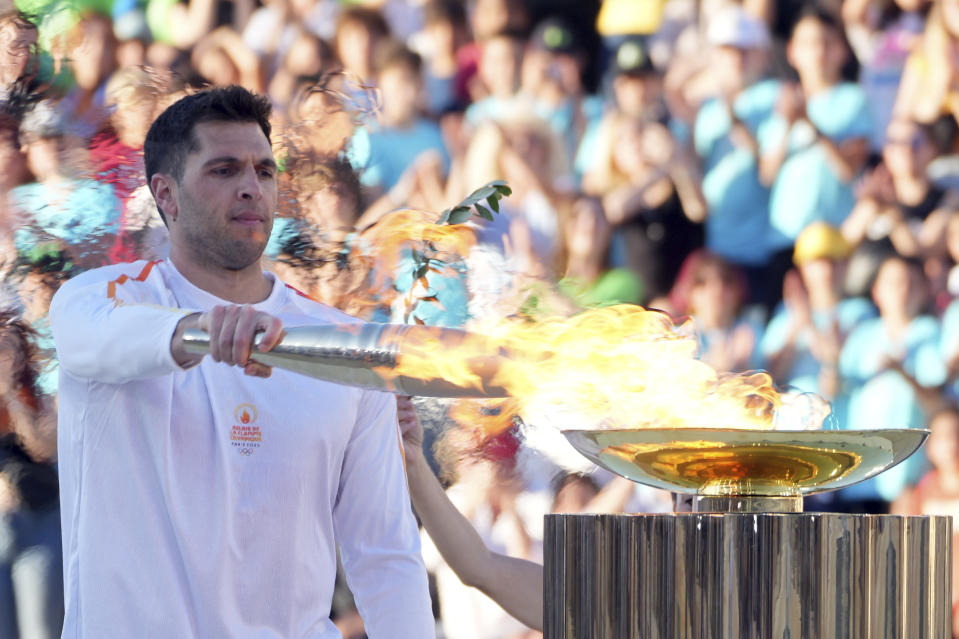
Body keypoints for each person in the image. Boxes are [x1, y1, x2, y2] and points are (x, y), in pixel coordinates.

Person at [49, 86, 435, 637]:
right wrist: (194, 332)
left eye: (264, 171)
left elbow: (385, 551)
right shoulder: (98, 299)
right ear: (167, 194)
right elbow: (91, 340)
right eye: (224, 171)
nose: (252, 188)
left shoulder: (345, 345)